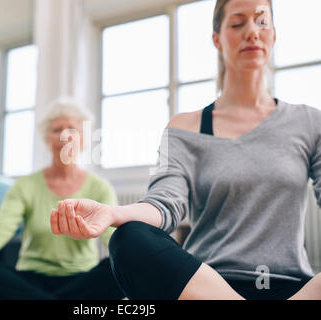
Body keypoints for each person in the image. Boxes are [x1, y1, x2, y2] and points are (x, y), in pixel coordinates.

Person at [49, 0, 321, 300]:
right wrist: (112, 213)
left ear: (273, 35)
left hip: (295, 288)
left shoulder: (309, 122)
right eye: (237, 23)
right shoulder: (184, 127)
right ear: (217, 39)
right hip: (206, 288)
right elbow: (165, 204)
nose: (252, 32)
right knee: (128, 238)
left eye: (262, 21)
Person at [0, 98, 124, 300]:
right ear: (47, 138)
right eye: (56, 130)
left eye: (71, 129)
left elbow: (114, 237)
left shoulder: (99, 187)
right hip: (30, 279)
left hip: (82, 280)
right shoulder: (25, 186)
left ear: (83, 138)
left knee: (122, 268)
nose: (64, 135)